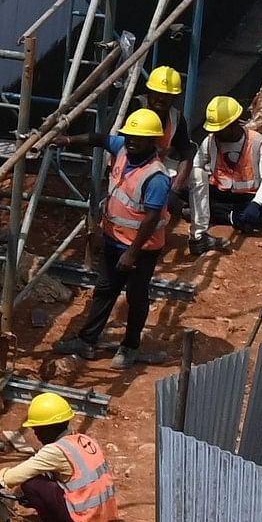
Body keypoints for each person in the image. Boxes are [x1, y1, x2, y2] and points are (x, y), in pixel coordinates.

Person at [65, 107, 179, 362]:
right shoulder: (123, 150)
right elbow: (99, 139)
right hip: (113, 239)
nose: (130, 141)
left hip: (141, 248)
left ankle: (130, 346)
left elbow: (151, 218)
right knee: (105, 290)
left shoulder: (156, 177)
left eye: (137, 138)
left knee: (136, 296)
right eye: (128, 135)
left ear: (152, 141)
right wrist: (67, 140)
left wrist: (132, 252)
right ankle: (87, 340)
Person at [0, 390, 117, 522]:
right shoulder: (83, 440)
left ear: (48, 427)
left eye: (37, 429)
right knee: (43, 479)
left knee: (31, 484)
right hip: (102, 517)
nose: (36, 434)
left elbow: (20, 473)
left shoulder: (56, 451)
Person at [194, 93, 262, 243]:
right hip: (219, 193)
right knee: (187, 191)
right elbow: (197, 166)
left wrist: (256, 203)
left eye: (221, 129)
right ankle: (234, 217)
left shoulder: (258, 143)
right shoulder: (210, 141)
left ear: (234, 123)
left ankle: (217, 215)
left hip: (246, 195)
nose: (216, 133)